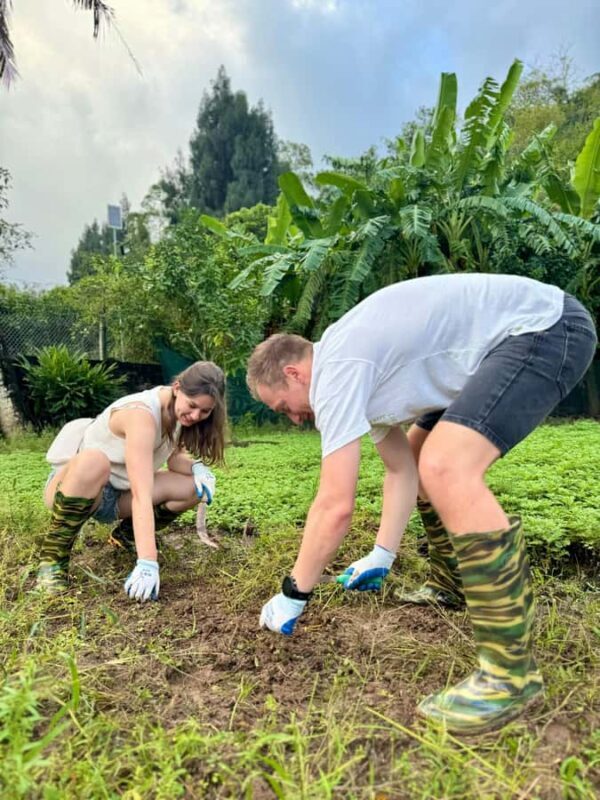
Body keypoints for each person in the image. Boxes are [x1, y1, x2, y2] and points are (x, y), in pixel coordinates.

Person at [247, 273, 597, 734]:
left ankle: (509, 676)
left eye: (283, 407)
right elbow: (400, 470)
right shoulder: (354, 370)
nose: (294, 419)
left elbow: (335, 505)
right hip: (500, 347)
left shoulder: (337, 368)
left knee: (447, 465)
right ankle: (451, 584)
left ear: (294, 373)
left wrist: (294, 593)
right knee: (421, 454)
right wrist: (382, 554)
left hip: (545, 328)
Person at [36, 361, 226, 602]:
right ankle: (52, 559)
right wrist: (148, 562)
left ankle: (126, 536)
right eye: (193, 405)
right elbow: (141, 494)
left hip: (117, 497)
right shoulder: (141, 415)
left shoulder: (178, 413)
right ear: (177, 388)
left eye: (205, 411)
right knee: (94, 461)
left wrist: (197, 468)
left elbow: (174, 458)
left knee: (193, 488)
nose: (196, 416)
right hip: (77, 489)